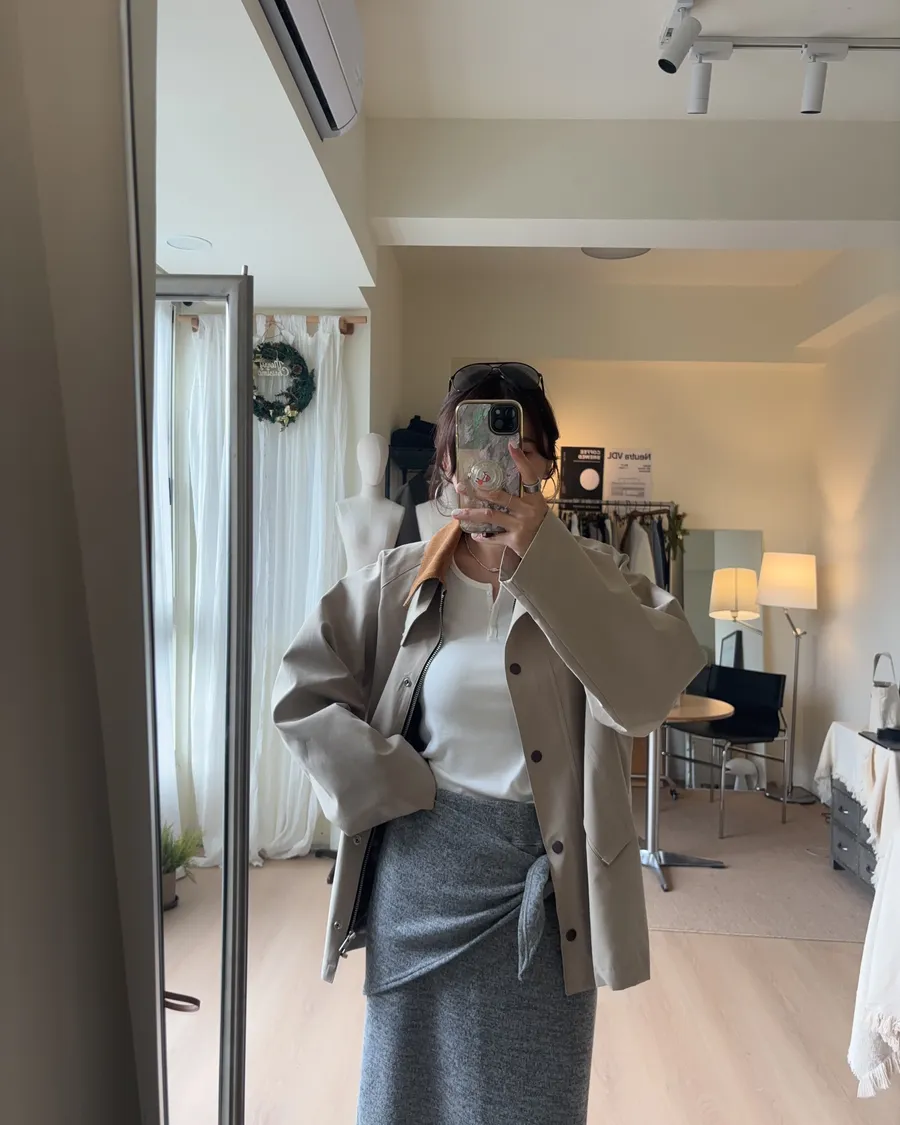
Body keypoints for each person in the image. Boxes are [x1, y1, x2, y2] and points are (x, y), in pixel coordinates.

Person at [272, 362, 705, 1125]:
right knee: (407, 1098)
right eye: (476, 443)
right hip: (421, 886)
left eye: (522, 445)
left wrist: (549, 563)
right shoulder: (397, 580)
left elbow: (646, 693)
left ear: (546, 465)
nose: (502, 461)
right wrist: (396, 782)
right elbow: (300, 696)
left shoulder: (599, 576)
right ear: (447, 464)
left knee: (533, 1102)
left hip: (546, 896)